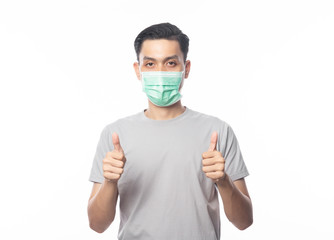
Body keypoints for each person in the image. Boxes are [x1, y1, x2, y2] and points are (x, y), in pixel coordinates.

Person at [87, 22, 253, 239]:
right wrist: (110, 181)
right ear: (138, 70)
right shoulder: (115, 134)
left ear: (187, 69)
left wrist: (223, 182)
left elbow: (244, 221)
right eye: (150, 64)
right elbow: (97, 225)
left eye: (171, 63)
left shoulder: (217, 131)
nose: (160, 73)